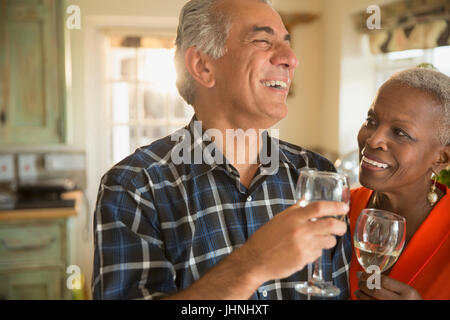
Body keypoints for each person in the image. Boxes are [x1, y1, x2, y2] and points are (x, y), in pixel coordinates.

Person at [91, 0, 351, 300]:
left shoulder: (320, 176)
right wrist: (254, 263)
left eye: (287, 44)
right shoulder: (134, 186)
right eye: (263, 41)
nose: (291, 59)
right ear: (203, 66)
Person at [349, 67, 450, 300]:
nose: (373, 140)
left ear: (441, 158)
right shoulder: (335, 211)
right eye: (371, 120)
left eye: (400, 133)